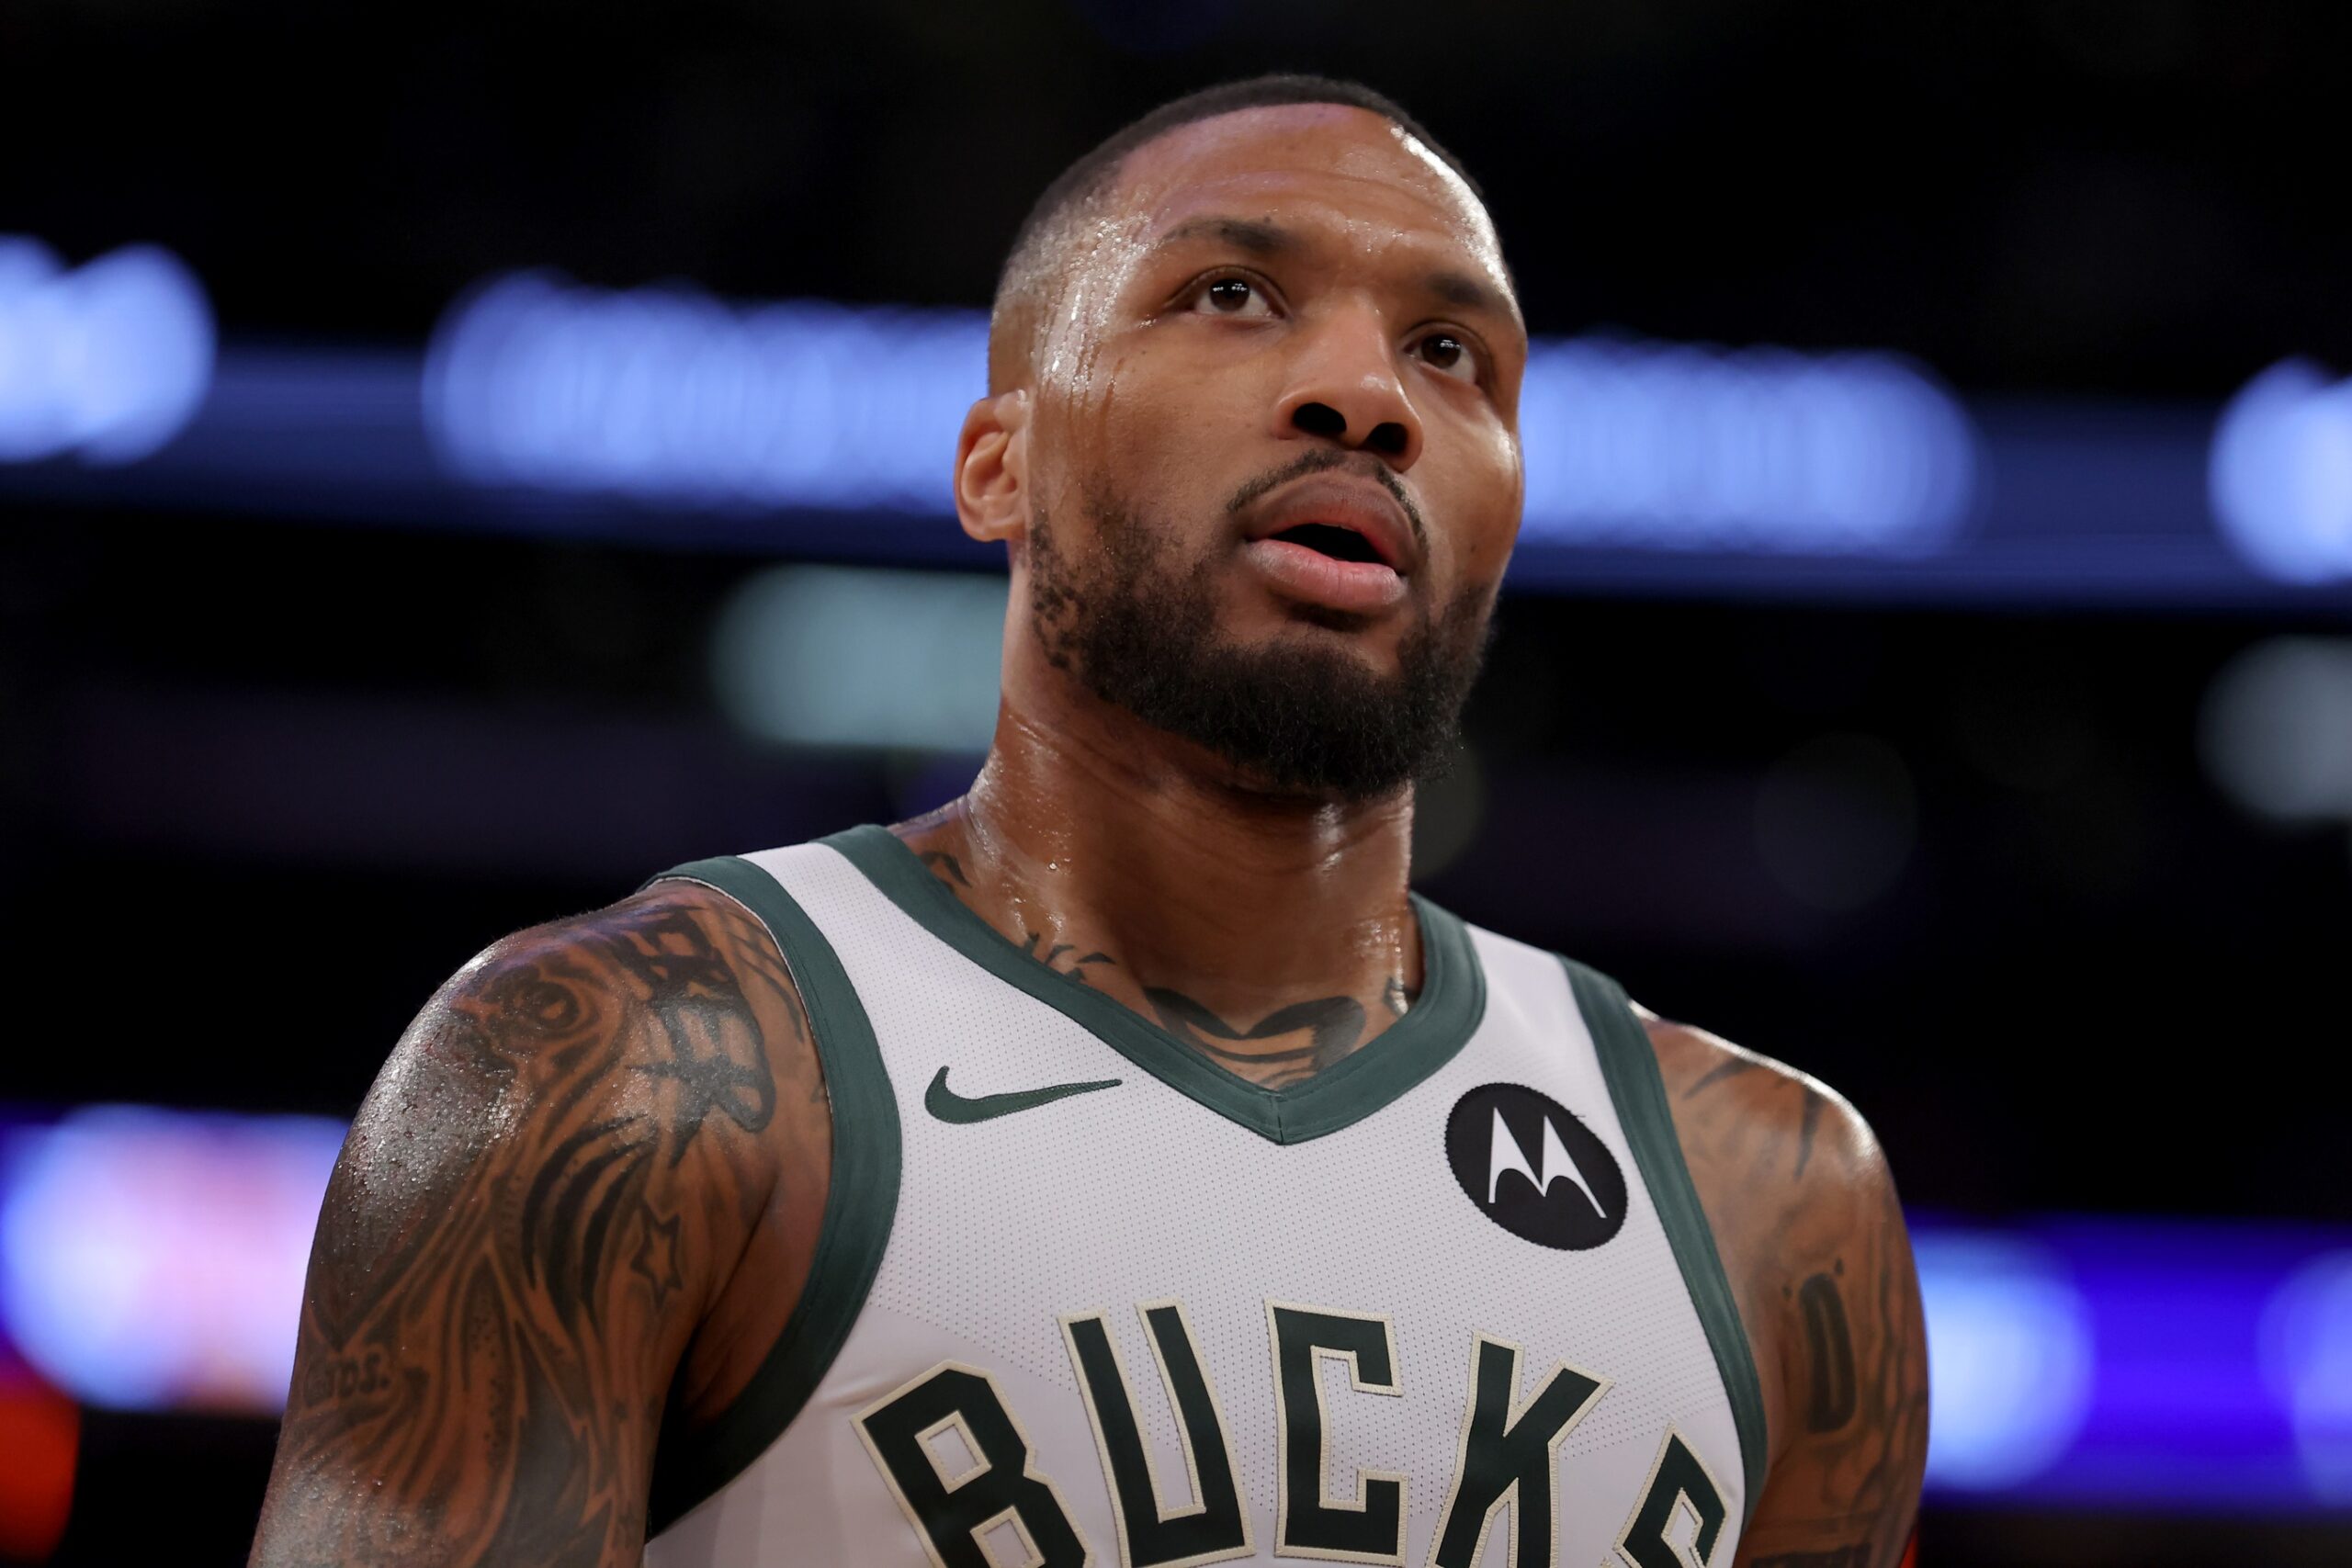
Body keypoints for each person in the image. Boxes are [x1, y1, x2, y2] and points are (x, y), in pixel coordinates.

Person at [250, 74, 1927, 1568]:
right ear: (1001, 467)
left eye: (1450, 352)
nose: (1366, 393)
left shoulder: (1772, 1200)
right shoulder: (622, 1070)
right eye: (1232, 295)